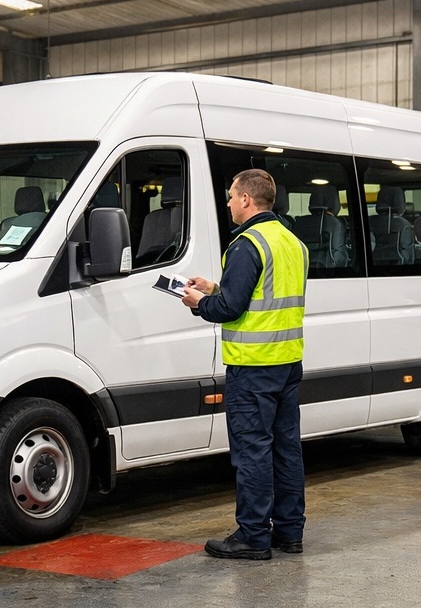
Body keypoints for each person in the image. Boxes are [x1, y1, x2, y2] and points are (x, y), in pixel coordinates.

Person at [182, 169, 309, 561]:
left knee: (253, 451)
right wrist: (215, 288)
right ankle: (289, 532)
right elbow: (261, 298)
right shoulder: (292, 243)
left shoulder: (246, 244)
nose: (228, 202)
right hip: (287, 363)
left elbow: (231, 308)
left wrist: (199, 302)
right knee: (286, 449)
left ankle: (253, 535)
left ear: (246, 201)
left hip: (253, 368)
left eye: (231, 196)